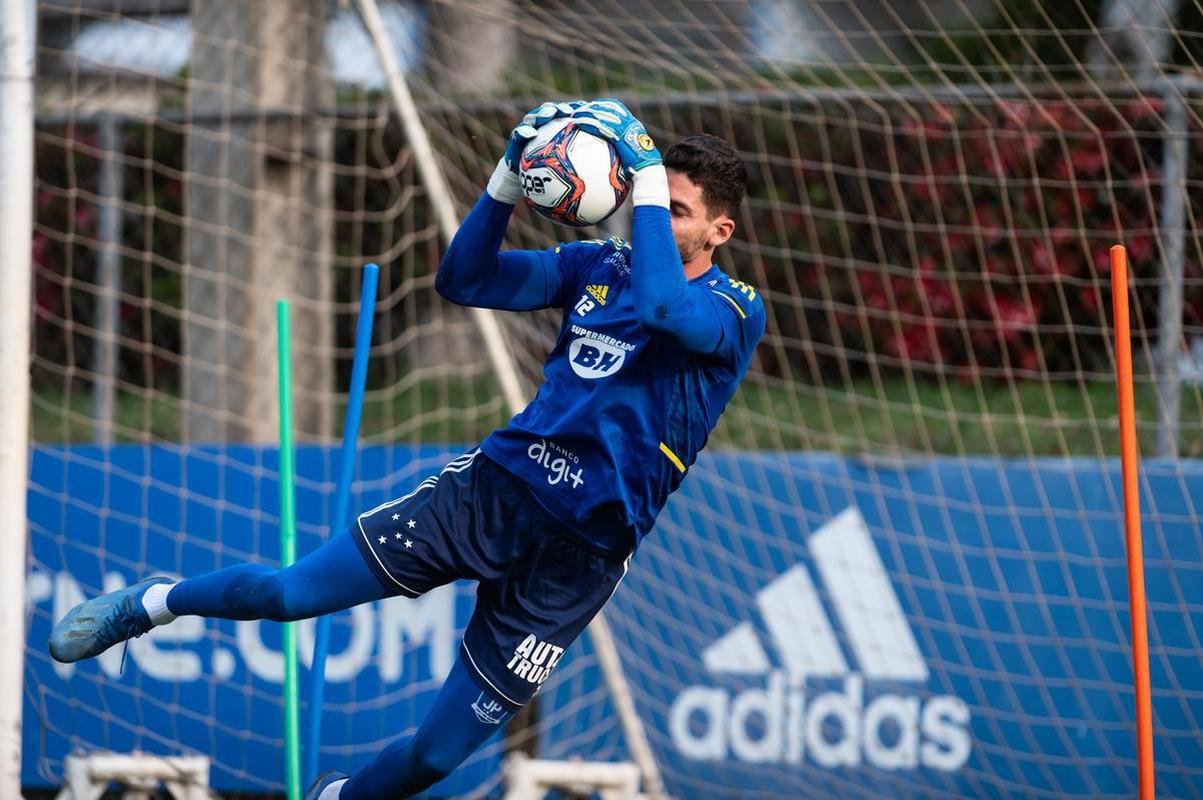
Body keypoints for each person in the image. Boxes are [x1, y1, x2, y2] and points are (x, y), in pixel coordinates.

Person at [49, 99, 765, 800]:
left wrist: (637, 180)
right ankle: (153, 604)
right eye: (653, 199)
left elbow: (664, 309)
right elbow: (463, 280)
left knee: (435, 757)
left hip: (577, 558)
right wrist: (503, 181)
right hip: (491, 494)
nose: (652, 215)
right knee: (288, 593)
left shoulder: (734, 310)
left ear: (718, 230)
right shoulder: (594, 265)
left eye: (674, 210)